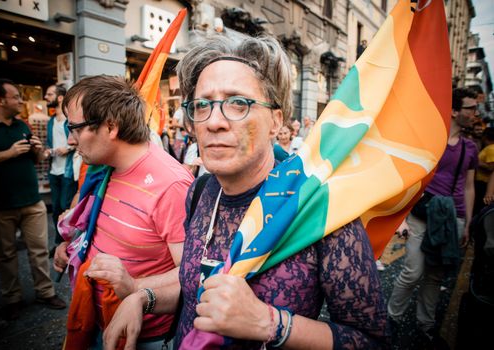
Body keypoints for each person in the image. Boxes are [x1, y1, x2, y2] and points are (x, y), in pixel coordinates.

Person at [104, 34, 389, 349]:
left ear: (275, 121)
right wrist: (142, 298)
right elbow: (195, 290)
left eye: (237, 103)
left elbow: (372, 341)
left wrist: (269, 322)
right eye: (202, 105)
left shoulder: (318, 209)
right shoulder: (199, 192)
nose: (214, 121)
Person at [53, 75, 193, 349]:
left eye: (76, 128)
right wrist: (72, 244)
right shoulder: (103, 166)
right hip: (97, 315)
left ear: (111, 126)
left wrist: (135, 285)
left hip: (144, 333)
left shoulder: (171, 185)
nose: (71, 140)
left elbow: (191, 274)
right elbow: (96, 225)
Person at [387, 88, 479, 342]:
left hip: (453, 217)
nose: (474, 113)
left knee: (435, 275)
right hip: (423, 213)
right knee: (413, 271)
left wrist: (469, 222)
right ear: (454, 110)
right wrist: (402, 214)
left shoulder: (470, 148)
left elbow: (469, 186)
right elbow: (411, 178)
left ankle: (425, 325)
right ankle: (392, 317)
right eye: (470, 108)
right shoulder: (430, 140)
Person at [0, 78, 66, 320]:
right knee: (6, 254)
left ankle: (45, 291)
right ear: (0, 100)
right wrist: (9, 153)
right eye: (16, 97)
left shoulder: (22, 125)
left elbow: (35, 159)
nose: (21, 101)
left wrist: (35, 150)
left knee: (39, 250)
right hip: (1, 203)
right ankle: (12, 298)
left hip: (32, 199)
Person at [44, 84, 78, 246]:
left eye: (49, 94)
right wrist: (47, 151)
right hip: (54, 170)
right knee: (56, 207)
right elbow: (49, 142)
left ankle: (67, 241)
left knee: (66, 205)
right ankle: (58, 243)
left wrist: (68, 148)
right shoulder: (51, 121)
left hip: (68, 170)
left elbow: (76, 141)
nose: (46, 97)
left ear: (59, 98)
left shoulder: (68, 121)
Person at [473, 127, 494, 215]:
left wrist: (475, 161)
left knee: (479, 209)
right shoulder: (488, 148)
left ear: (485, 136)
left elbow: (491, 168)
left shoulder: (491, 149)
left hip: (484, 185)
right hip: (480, 184)